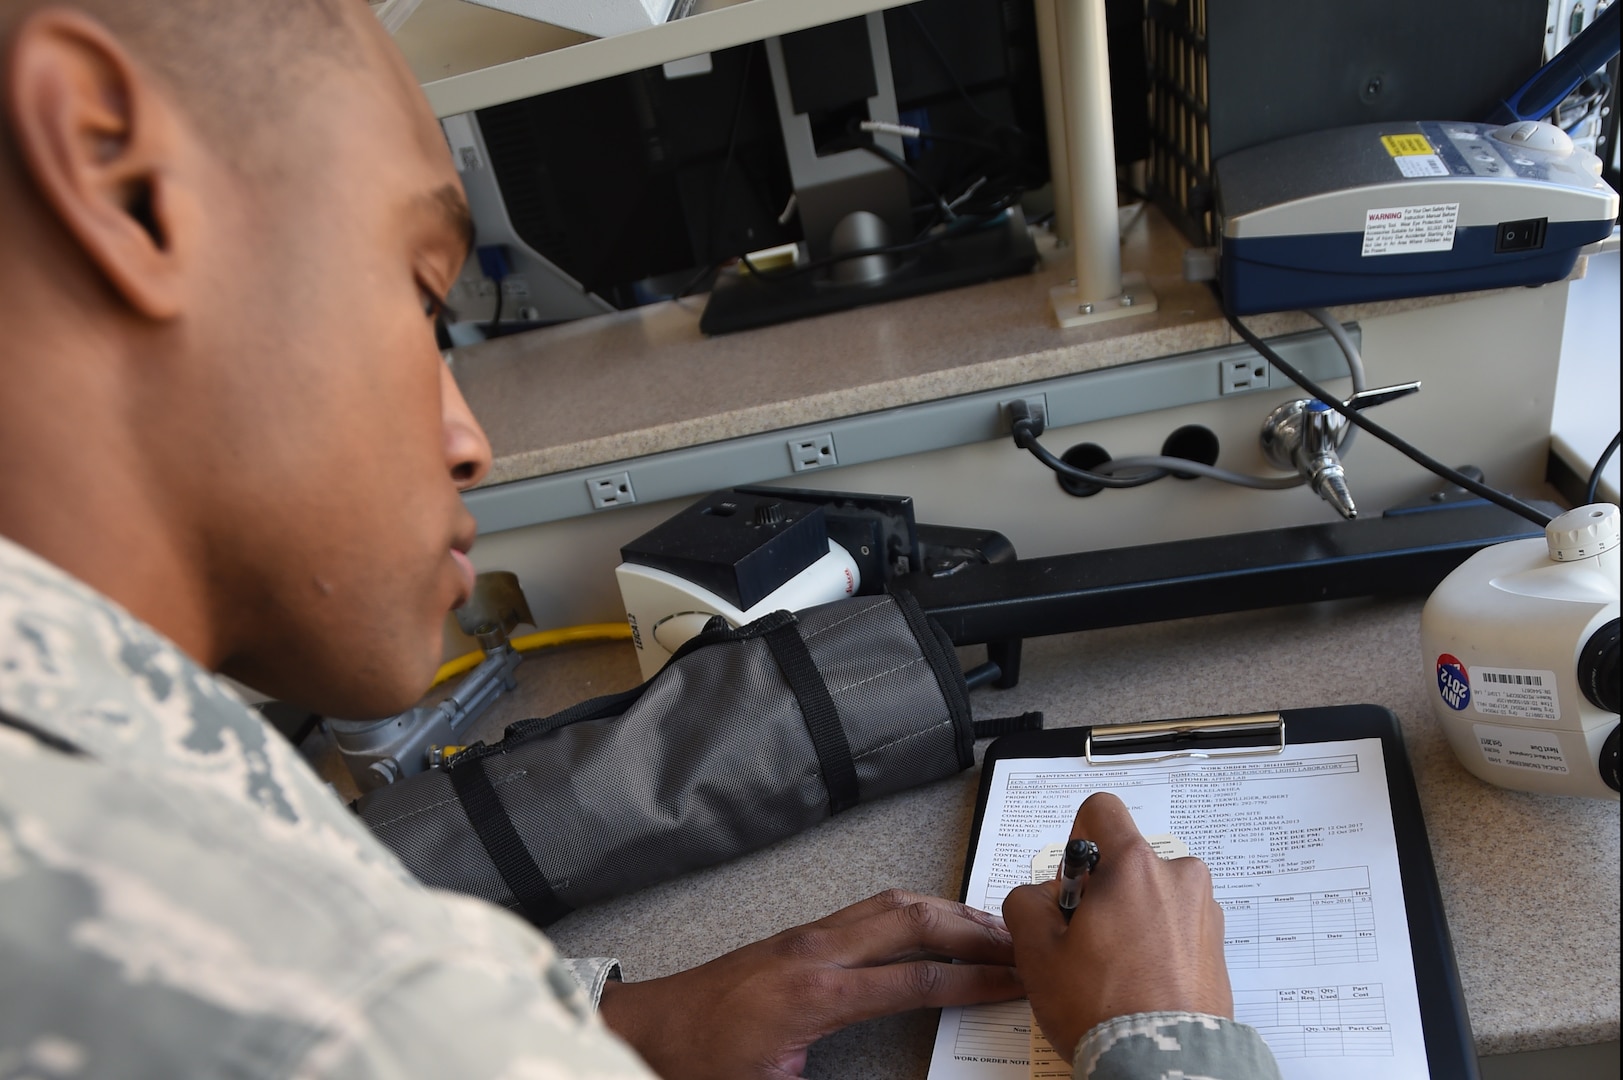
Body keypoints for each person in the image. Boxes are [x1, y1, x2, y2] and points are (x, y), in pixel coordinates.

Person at [0, 1, 1281, 1076]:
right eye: (416, 297)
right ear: (121, 175)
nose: (469, 442)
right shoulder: (343, 997)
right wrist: (1159, 1034)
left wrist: (604, 1023)